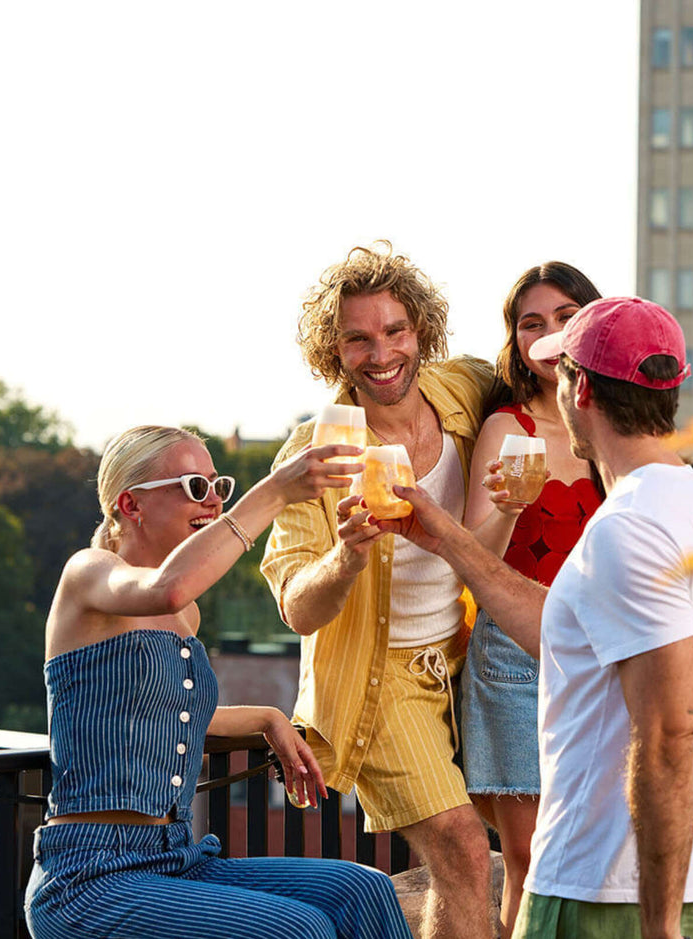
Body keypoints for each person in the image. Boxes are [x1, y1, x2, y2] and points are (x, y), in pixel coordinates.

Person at [375, 297, 693, 939]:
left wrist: (659, 927)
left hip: (606, 893)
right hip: (664, 883)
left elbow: (668, 734)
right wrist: (448, 540)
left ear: (582, 390)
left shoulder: (628, 526)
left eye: (564, 370)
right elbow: (568, 628)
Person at [25, 425, 412, 939]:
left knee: (364, 889)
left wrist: (268, 718)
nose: (211, 501)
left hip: (177, 857)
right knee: (298, 929)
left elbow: (161, 712)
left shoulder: (186, 615)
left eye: (217, 486)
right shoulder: (91, 575)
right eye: (194, 487)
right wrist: (273, 491)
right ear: (130, 504)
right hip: (89, 878)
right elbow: (166, 586)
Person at [260, 243, 496, 939]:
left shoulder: (465, 390)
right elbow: (297, 607)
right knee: (459, 844)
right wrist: (345, 554)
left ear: (421, 329)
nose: (382, 352)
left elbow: (542, 387)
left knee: (527, 837)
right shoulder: (316, 454)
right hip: (378, 679)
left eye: (395, 331)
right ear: (335, 351)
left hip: (472, 661)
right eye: (358, 338)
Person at [459, 262, 603, 938]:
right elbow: (469, 552)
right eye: (530, 322)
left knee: (591, 852)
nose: (546, 334)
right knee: (528, 856)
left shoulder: (608, 429)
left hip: (600, 660)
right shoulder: (506, 428)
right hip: (513, 660)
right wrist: (512, 509)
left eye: (563, 316)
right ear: (515, 339)